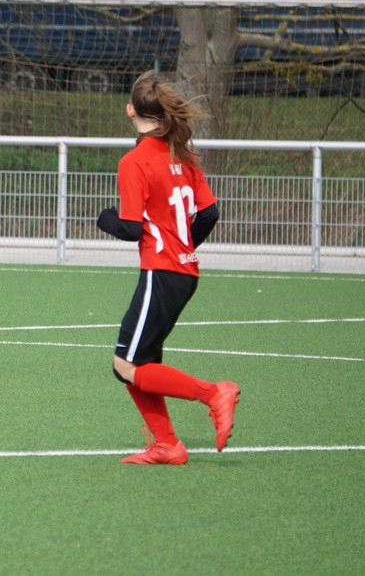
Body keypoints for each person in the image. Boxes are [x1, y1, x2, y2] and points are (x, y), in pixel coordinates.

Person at [97, 70, 239, 465]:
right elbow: (209, 214)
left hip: (161, 274)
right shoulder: (182, 156)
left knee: (125, 365)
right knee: (142, 363)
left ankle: (214, 393)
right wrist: (184, 246)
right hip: (184, 273)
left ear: (130, 110)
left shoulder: (134, 161)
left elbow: (129, 228)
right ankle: (167, 445)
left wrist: (104, 218)